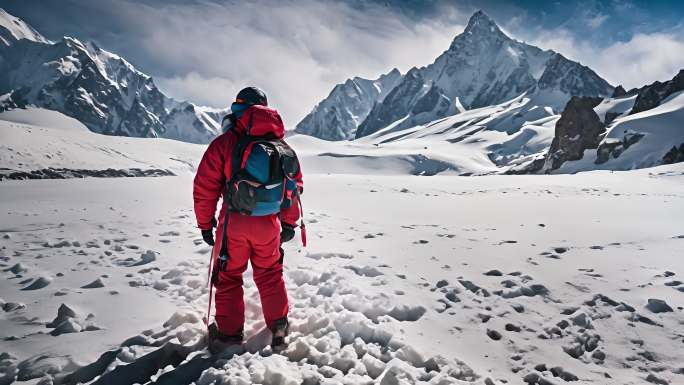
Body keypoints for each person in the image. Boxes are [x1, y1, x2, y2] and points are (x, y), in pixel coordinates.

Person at [193, 87, 303, 353]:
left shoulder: (225, 143)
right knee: (270, 273)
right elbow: (293, 188)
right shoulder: (282, 147)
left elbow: (205, 187)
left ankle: (229, 335)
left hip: (234, 224)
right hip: (269, 224)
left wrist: (205, 224)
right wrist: (288, 223)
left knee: (229, 276)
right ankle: (278, 326)